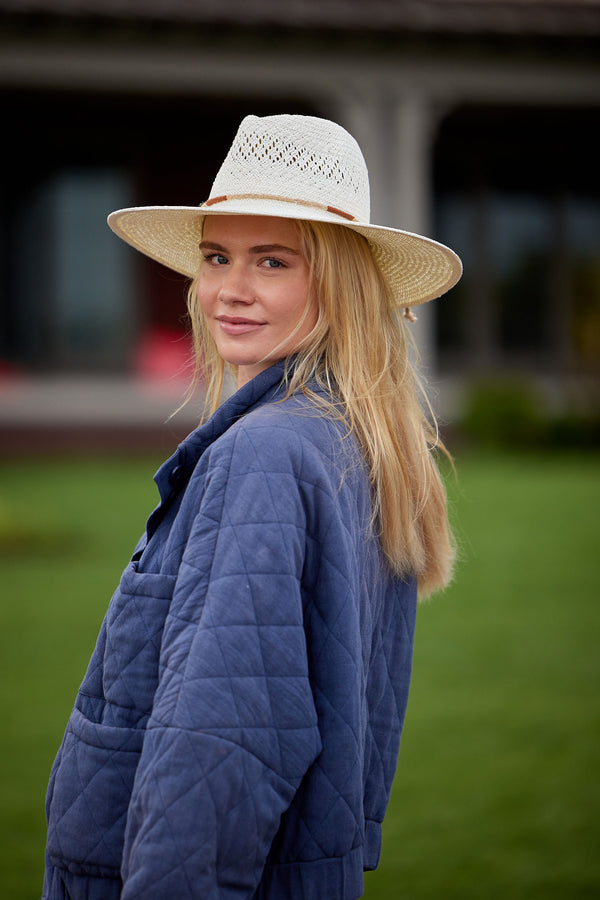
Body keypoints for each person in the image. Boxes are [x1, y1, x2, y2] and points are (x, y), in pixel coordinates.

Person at [42, 113, 462, 900]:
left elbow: (219, 745)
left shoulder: (265, 455)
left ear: (338, 283)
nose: (228, 291)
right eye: (215, 257)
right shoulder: (344, 435)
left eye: (272, 261)